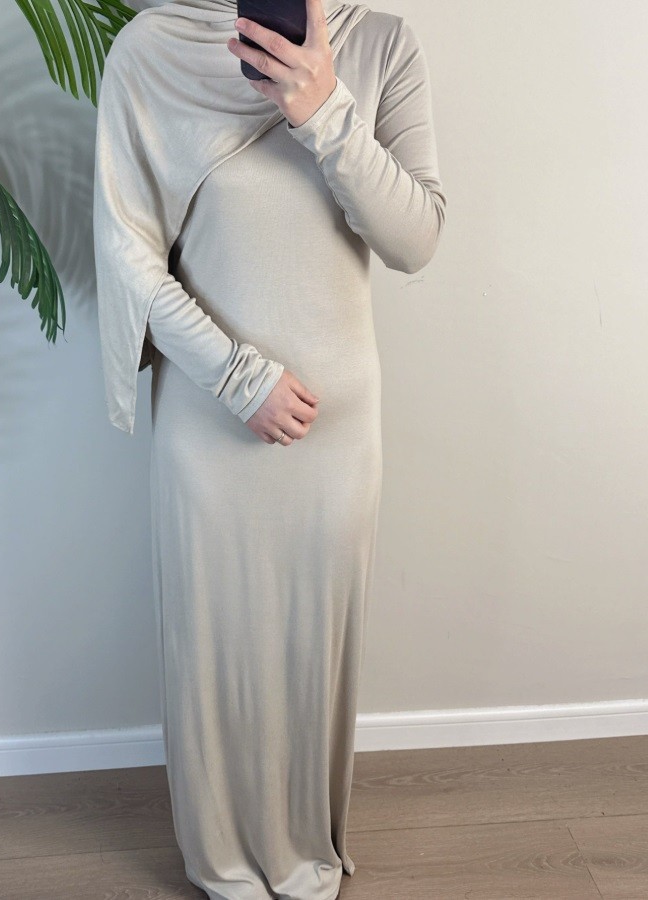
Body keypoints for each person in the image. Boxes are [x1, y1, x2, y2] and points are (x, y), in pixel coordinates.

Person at [94, 0, 446, 897]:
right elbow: (127, 252)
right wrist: (238, 378)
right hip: (212, 418)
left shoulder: (382, 43)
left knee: (311, 655)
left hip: (341, 427)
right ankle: (224, 864)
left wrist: (325, 111)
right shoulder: (151, 50)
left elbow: (415, 239)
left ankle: (305, 854)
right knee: (215, 657)